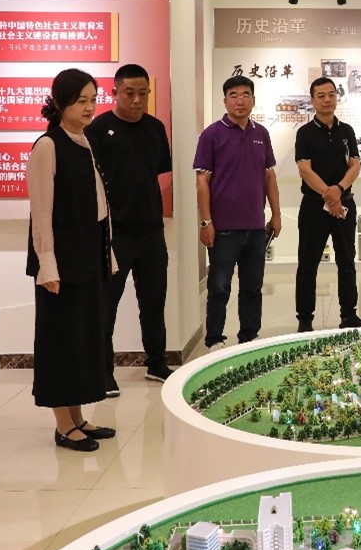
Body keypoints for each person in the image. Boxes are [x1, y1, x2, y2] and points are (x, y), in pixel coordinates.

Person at [26, 68, 118, 451]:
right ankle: (63, 426)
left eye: (93, 99)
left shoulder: (85, 141)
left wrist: (107, 253)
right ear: (61, 102)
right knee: (61, 343)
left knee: (82, 341)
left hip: (89, 255)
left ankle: (78, 417)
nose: (89, 107)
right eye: (81, 100)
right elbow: (41, 213)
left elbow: (98, 205)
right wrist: (47, 265)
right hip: (61, 264)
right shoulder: (48, 146)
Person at [86, 64, 173, 394]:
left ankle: (157, 363)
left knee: (153, 302)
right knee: (106, 305)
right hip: (114, 235)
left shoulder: (155, 127)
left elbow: (157, 171)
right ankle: (103, 371)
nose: (137, 100)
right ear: (115, 93)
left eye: (143, 93)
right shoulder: (98, 130)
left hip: (151, 231)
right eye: (129, 93)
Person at [194, 76, 282, 350]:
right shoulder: (212, 134)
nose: (240, 100)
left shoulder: (261, 134)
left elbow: (269, 176)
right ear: (225, 101)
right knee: (219, 287)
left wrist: (276, 215)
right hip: (223, 228)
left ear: (253, 100)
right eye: (233, 95)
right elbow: (202, 181)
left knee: (253, 286)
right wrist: (206, 222)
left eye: (245, 95)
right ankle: (214, 339)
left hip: (255, 226)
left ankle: (249, 336)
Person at [294, 76, 361, 332]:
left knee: (347, 261)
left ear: (337, 97)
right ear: (313, 100)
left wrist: (338, 190)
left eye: (331, 95)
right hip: (314, 207)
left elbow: (355, 165)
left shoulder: (347, 131)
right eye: (321, 96)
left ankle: (349, 315)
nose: (327, 100)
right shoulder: (304, 133)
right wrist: (329, 194)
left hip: (344, 204)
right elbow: (305, 170)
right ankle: (305, 319)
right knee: (308, 263)